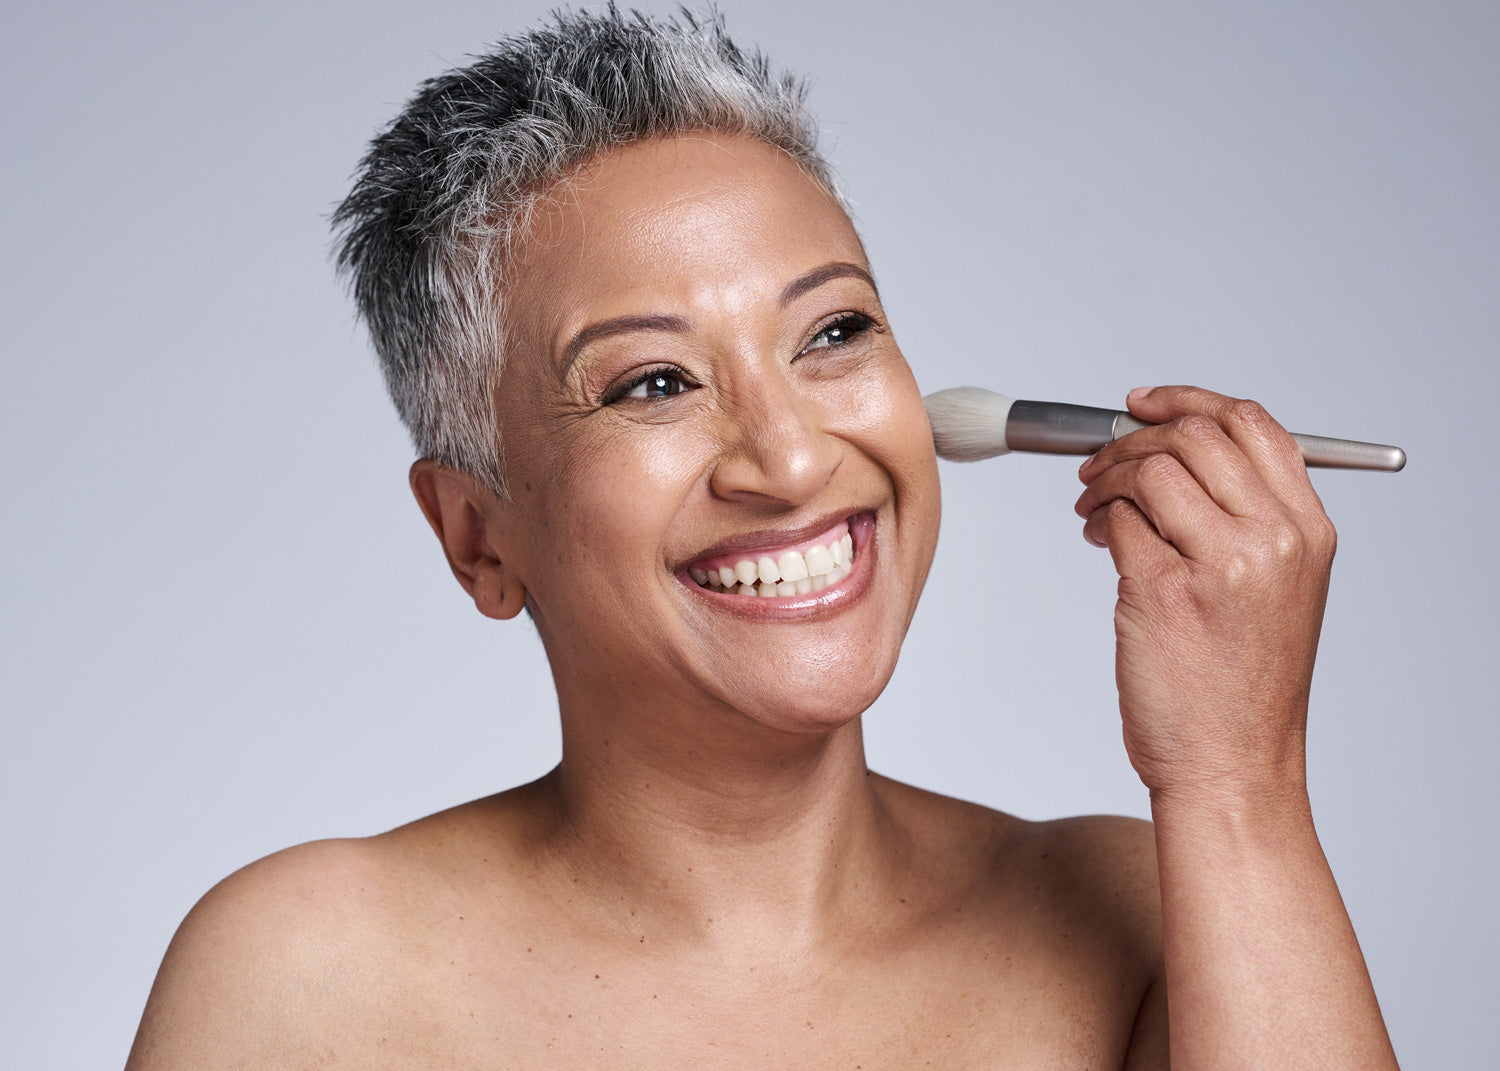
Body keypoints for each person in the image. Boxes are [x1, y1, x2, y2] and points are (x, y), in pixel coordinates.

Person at [126, 9, 1398, 1068]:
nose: (792, 460)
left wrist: (1238, 783)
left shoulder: (1145, 912)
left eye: (834, 333)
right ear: (476, 538)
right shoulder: (304, 984)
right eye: (652, 385)